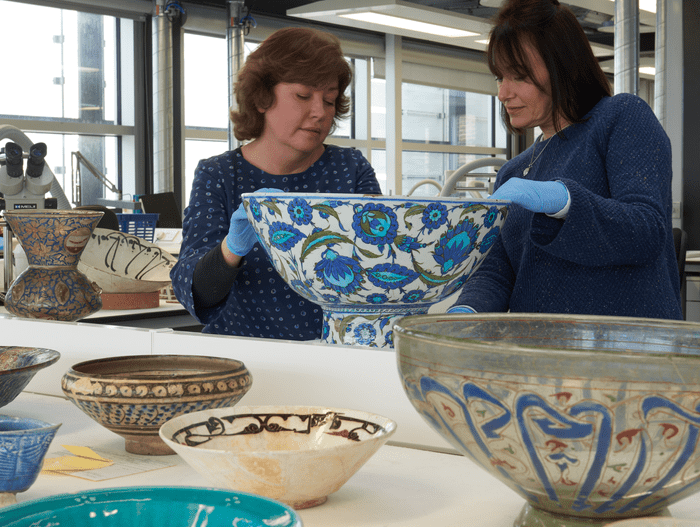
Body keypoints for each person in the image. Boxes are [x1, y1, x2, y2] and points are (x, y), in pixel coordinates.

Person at [448, 0, 682, 320]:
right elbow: (497, 272)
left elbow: (646, 230)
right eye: (499, 77)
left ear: (562, 66)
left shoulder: (621, 118)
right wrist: (465, 311)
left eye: (518, 76)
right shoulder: (513, 172)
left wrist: (564, 200)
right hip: (541, 352)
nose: (503, 93)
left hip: (626, 352)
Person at [171, 27, 381, 339]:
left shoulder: (350, 169)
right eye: (303, 96)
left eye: (329, 100)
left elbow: (377, 268)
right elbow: (197, 293)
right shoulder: (219, 174)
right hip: (246, 356)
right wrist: (231, 248)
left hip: (338, 355)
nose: (319, 112)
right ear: (261, 97)